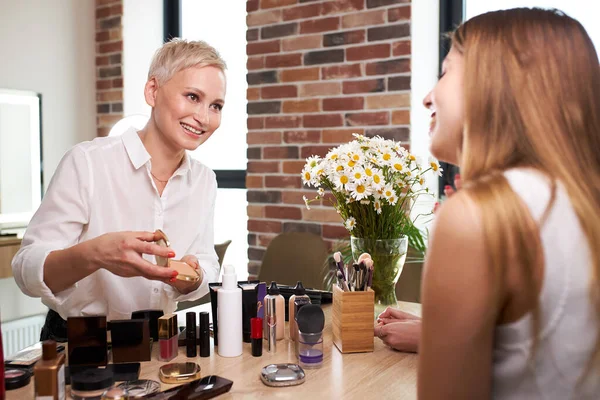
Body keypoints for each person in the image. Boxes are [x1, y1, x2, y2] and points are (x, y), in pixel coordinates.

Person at [376, 8, 600, 399]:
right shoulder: (578, 204)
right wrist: (437, 333)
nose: (429, 96)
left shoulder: (479, 215)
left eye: (446, 72)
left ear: (495, 86)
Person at [11, 38, 227, 341]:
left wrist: (192, 277)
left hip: (160, 342)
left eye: (215, 106)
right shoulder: (87, 162)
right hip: (81, 343)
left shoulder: (204, 181)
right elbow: (26, 270)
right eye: (192, 97)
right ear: (153, 91)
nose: (204, 117)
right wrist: (94, 254)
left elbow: (207, 265)